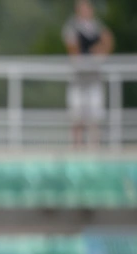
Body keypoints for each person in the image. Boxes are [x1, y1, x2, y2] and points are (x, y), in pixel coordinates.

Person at [63, 0, 113, 147]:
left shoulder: (97, 26)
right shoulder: (72, 27)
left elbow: (108, 39)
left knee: (95, 118)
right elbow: (72, 49)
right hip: (78, 79)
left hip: (94, 78)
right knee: (77, 117)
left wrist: (99, 52)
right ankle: (77, 147)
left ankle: (94, 147)